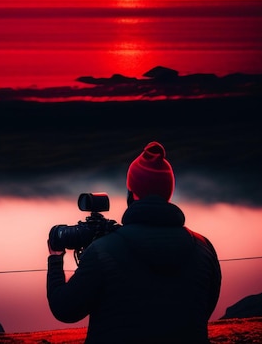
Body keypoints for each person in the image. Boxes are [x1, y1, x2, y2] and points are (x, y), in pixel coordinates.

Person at [47, 141, 221, 344]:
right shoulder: (204, 248)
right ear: (168, 192)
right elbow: (205, 307)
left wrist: (55, 259)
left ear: (132, 192)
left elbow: (65, 309)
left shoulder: (103, 252)